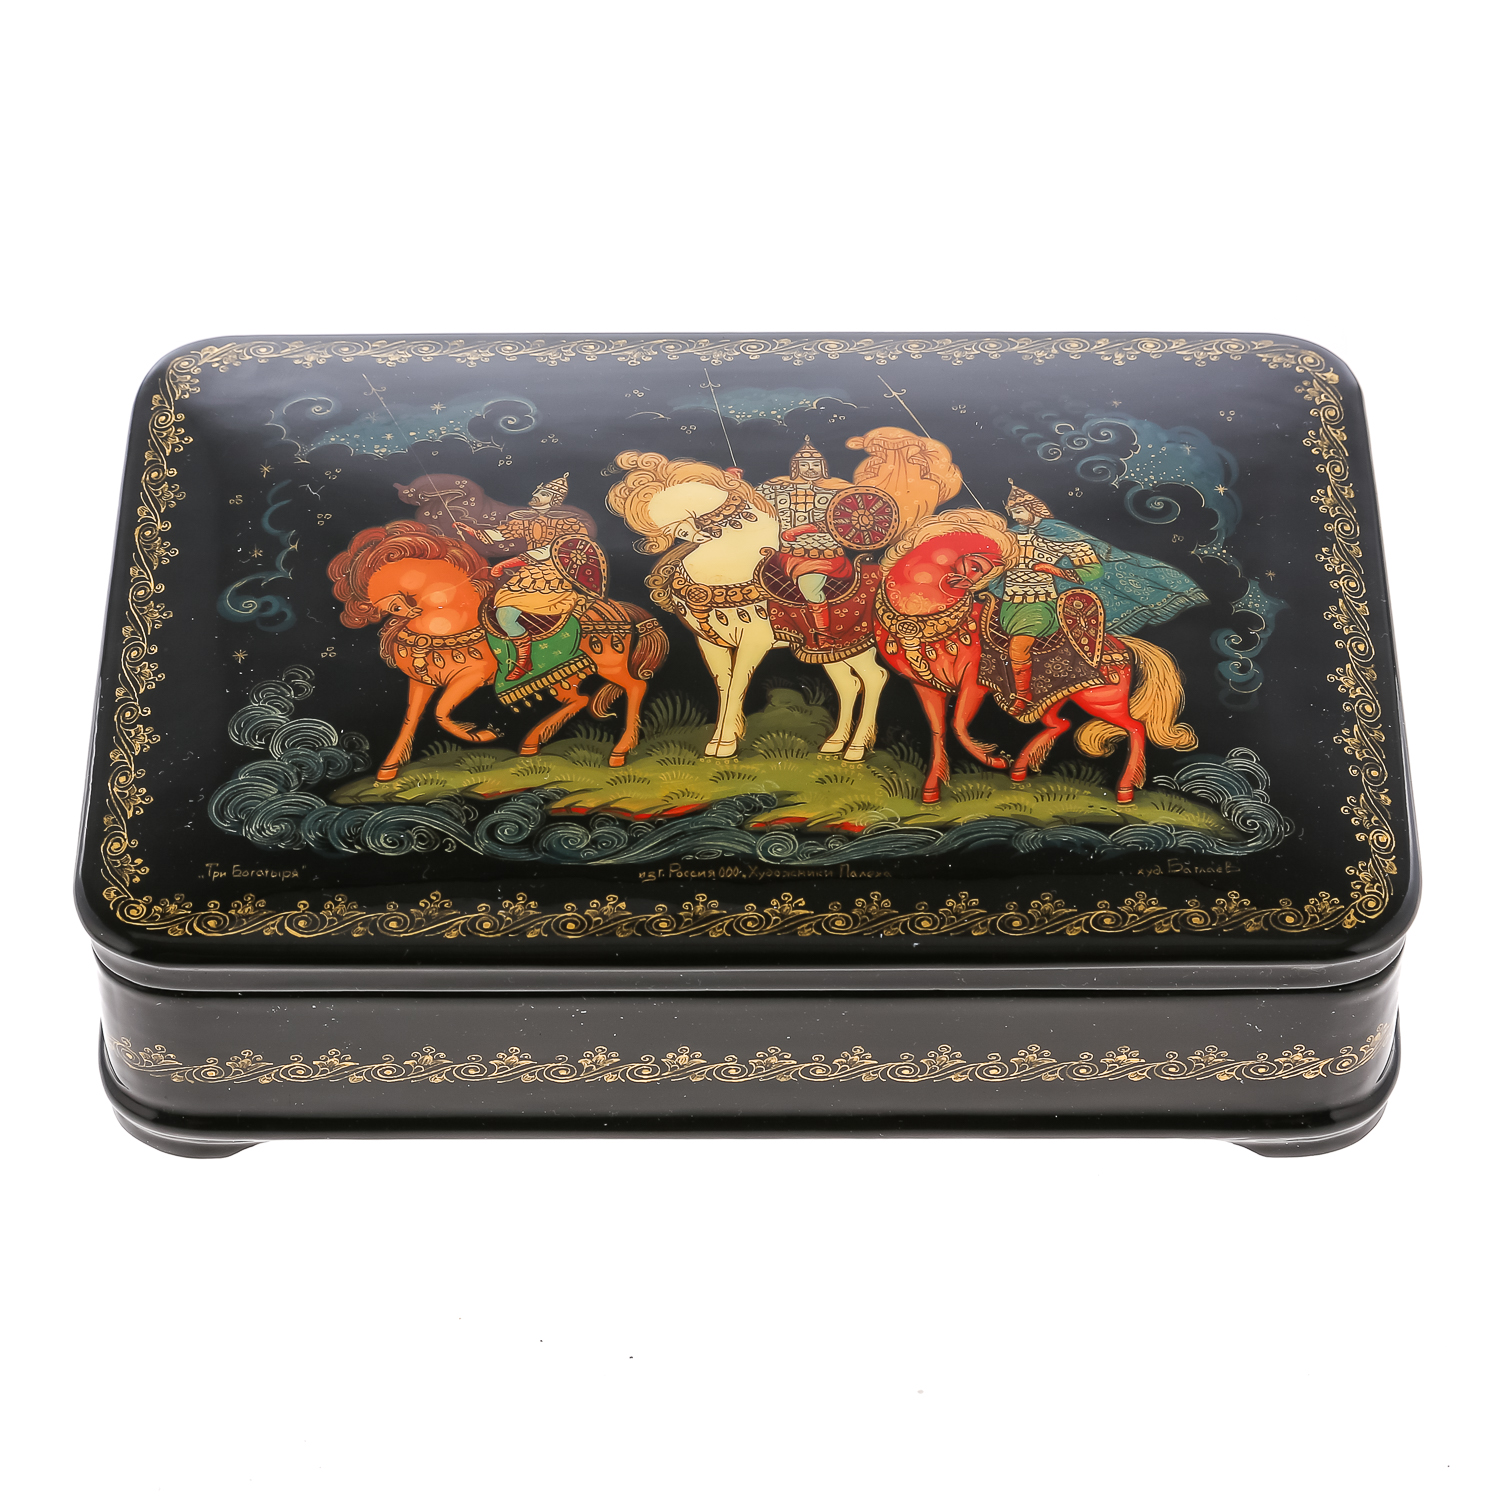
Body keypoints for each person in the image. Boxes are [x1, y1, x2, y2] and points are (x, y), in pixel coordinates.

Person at [455, 475, 602, 681]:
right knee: (498, 609)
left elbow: (552, 550)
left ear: (554, 499)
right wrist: (472, 531)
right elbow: (500, 534)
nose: (535, 494)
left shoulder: (569, 524)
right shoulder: (527, 521)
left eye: (542, 493)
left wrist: (507, 563)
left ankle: (524, 661)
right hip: (528, 573)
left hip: (551, 575)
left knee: (505, 616)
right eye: (537, 491)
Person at [756, 437, 854, 648]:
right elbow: (751, 502)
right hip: (784, 554)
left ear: (823, 466)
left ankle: (824, 635)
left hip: (823, 556)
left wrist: (804, 529)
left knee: (809, 588)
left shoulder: (839, 490)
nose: (811, 469)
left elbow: (847, 520)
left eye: (815, 464)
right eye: (805, 464)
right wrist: (734, 482)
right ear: (795, 467)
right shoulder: (776, 488)